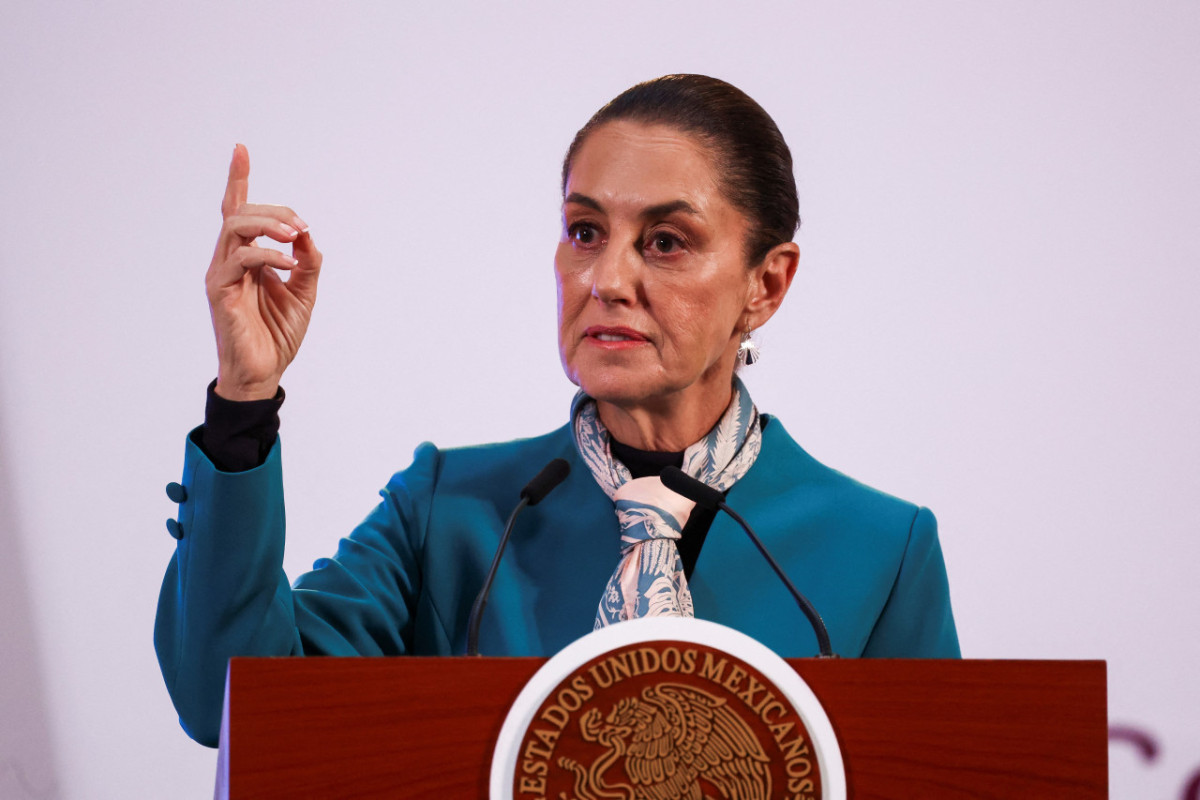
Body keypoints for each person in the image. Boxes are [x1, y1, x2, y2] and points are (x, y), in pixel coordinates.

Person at [155, 74, 959, 748]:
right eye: (585, 230)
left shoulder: (881, 550)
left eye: (666, 241)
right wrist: (244, 403)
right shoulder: (452, 512)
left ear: (767, 284)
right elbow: (230, 706)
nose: (606, 278)